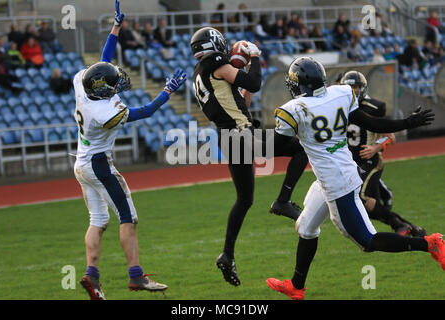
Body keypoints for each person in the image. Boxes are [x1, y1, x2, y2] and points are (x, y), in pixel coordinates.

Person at [265, 56, 441, 300]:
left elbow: (275, 148)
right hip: (332, 177)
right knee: (306, 228)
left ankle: (429, 243)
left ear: (300, 84)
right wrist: (408, 122)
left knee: (368, 241)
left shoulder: (293, 110)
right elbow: (371, 122)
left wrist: (242, 137)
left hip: (337, 184)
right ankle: (296, 286)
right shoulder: (341, 93)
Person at [76, 1, 187, 300]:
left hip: (81, 162)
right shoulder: (107, 111)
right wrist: (169, 89)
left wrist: (115, 29)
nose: (116, 86)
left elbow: (102, 61)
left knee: (98, 220)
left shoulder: (81, 83)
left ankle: (92, 277)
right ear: (103, 91)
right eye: (112, 86)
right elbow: (147, 111)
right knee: (128, 217)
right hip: (99, 163)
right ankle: (136, 276)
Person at [190, 27, 308, 286]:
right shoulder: (216, 63)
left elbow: (239, 100)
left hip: (228, 138)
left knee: (244, 200)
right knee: (300, 148)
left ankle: (227, 255)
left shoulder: (199, 74)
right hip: (241, 135)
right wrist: (254, 56)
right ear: (214, 44)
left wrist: (242, 79)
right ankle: (283, 200)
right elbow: (254, 81)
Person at [340, 71, 426, 237]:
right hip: (350, 164)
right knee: (371, 207)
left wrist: (375, 148)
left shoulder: (374, 107)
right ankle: (413, 229)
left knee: (361, 197)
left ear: (363, 88)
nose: (353, 90)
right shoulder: (338, 107)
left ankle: (397, 224)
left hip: (370, 161)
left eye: (356, 87)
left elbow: (390, 137)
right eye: (349, 87)